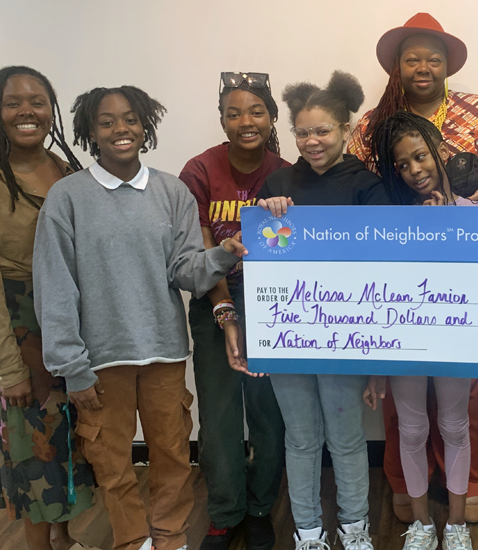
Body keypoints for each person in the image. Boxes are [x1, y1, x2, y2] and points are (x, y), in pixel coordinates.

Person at [33, 85, 248, 550]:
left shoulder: (172, 191)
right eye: (107, 122)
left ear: (145, 125)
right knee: (112, 462)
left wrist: (221, 256)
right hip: (100, 361)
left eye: (130, 119)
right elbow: (55, 290)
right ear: (91, 131)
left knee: (172, 455)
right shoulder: (66, 198)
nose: (120, 129)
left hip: (164, 352)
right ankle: (133, 541)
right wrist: (72, 366)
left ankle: (169, 538)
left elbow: (186, 270)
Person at [347, 13, 478, 522]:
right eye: (411, 58)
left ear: (447, 64)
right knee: (404, 401)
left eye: (432, 58)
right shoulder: (372, 124)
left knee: (465, 397)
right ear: (397, 67)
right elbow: (357, 188)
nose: (422, 66)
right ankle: (405, 483)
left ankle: (467, 482)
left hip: (464, 258)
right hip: (401, 268)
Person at [254, 71, 388, 550]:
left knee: (347, 439)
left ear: (346, 129)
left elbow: (382, 275)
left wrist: (376, 357)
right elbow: (260, 260)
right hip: (290, 338)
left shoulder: (367, 187)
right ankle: (308, 533)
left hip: (345, 339)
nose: (312, 141)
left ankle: (355, 531)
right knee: (302, 439)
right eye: (303, 132)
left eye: (323, 130)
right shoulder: (277, 184)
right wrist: (268, 214)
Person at [0, 66, 96, 550]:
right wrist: (7, 368)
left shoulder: (72, 174)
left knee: (73, 441)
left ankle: (65, 538)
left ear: (52, 110)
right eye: (13, 102)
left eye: (38, 101)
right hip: (19, 332)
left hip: (73, 326)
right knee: (32, 450)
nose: (27, 111)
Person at [178, 72, 288, 550]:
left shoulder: (286, 172)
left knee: (268, 411)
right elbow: (202, 252)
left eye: (256, 111)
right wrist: (225, 314)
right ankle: (224, 512)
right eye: (234, 112)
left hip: (272, 303)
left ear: (272, 117)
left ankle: (261, 507)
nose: (246, 121)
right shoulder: (199, 172)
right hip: (212, 299)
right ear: (221, 120)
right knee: (219, 413)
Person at [363, 111, 478, 550]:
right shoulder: (394, 221)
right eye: (403, 164)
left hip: (456, 341)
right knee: (410, 431)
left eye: (420, 157)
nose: (414, 171)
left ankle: (457, 525)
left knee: (454, 427)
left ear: (439, 153)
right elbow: (381, 289)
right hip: (406, 341)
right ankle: (423, 525)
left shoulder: (477, 213)